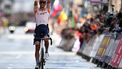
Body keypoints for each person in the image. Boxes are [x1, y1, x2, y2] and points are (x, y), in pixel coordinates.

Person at [33, 0, 51, 68]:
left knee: (46, 39)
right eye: (41, 2)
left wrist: (47, 2)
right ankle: (37, 63)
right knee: (37, 46)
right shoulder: (36, 11)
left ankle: (46, 52)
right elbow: (35, 2)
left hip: (45, 28)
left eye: (44, 2)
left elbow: (49, 2)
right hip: (38, 29)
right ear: (39, 3)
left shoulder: (48, 10)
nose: (42, 3)